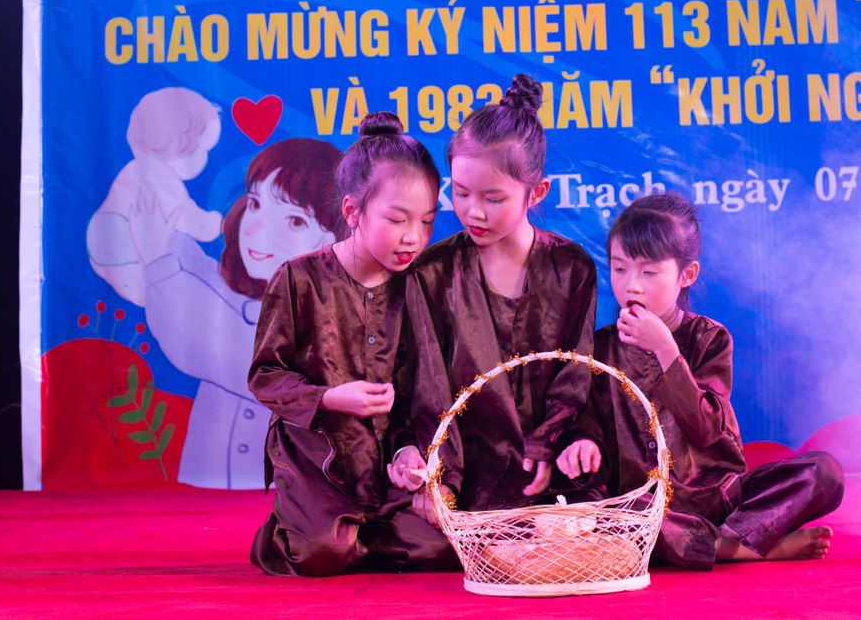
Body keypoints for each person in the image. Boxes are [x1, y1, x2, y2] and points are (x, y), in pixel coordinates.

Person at [556, 192, 844, 569]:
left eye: (648, 272)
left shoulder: (710, 339)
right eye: (620, 268)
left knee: (824, 472)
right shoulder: (602, 345)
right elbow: (590, 418)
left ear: (687, 275)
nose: (631, 286)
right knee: (598, 508)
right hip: (647, 506)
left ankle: (719, 539)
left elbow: (706, 429)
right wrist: (584, 442)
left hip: (720, 501)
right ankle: (742, 548)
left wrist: (665, 349)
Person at [248, 112, 456, 576]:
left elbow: (415, 392)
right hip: (318, 457)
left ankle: (360, 531)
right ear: (352, 212)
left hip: (383, 464)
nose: (414, 238)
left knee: (443, 546)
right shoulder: (298, 279)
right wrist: (329, 397)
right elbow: (265, 376)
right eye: (397, 219)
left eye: (426, 221)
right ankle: (300, 529)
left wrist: (406, 452)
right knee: (321, 552)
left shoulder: (416, 287)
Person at [397, 73, 597, 518]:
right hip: (465, 471)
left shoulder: (573, 269)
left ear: (536, 192)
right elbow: (430, 388)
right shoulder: (432, 273)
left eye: (493, 198)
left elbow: (576, 375)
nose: (473, 211)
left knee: (589, 530)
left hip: (552, 467)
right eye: (460, 192)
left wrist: (547, 447)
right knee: (414, 539)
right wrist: (441, 477)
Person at [131, 137, 344, 489]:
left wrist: (160, 264)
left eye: (294, 221)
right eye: (256, 204)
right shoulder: (244, 290)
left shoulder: (329, 314)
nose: (256, 229)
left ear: (331, 239)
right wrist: (168, 239)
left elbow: (223, 358)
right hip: (206, 485)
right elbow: (203, 281)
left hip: (287, 494)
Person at [87, 87, 224, 306]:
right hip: (130, 262)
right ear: (182, 147)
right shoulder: (163, 180)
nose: (205, 159)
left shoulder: (133, 170)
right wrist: (220, 223)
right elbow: (194, 223)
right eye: (204, 150)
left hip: (105, 249)